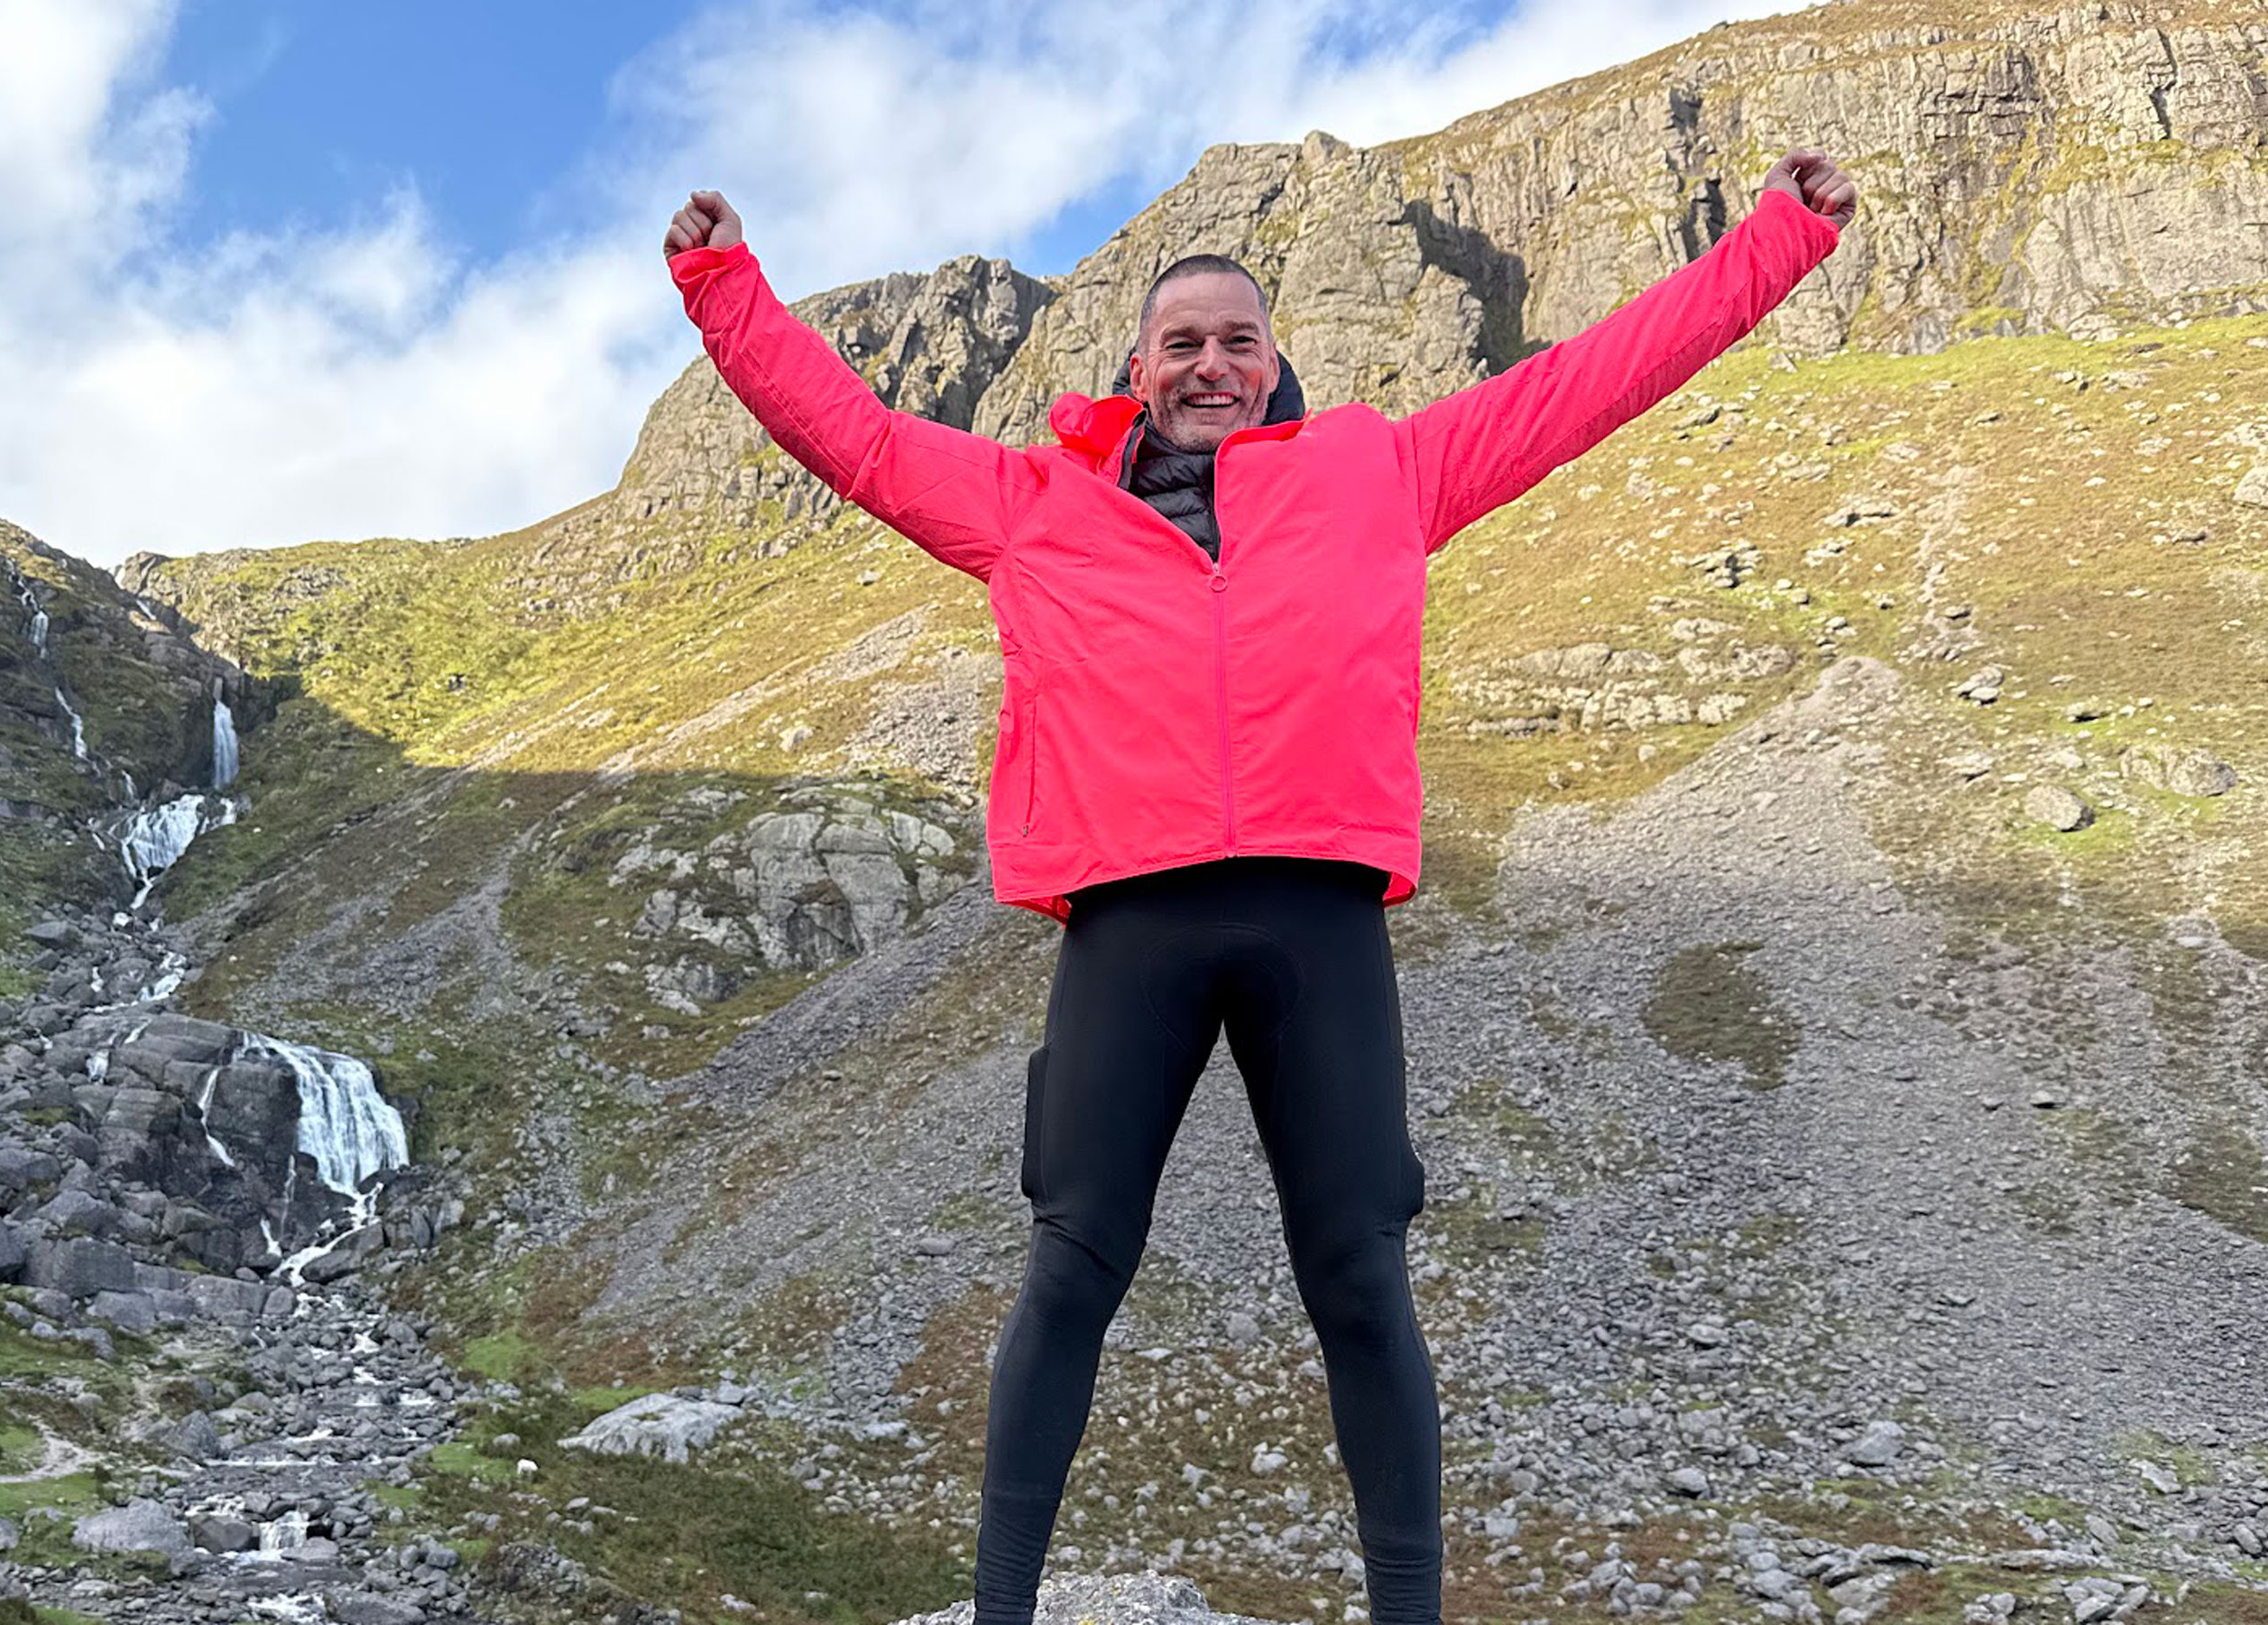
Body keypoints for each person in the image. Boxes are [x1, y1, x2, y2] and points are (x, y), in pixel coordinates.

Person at [662, 149, 1857, 1625]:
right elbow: (851, 433)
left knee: (1360, 1276)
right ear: (1139, 366)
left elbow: (1590, 380)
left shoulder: (1381, 467)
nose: (1210, 364)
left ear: (1274, 363)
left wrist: (1782, 239)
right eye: (1183, 343)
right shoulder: (1032, 505)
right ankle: (999, 1613)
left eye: (1238, 340)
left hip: (1317, 916)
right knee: (1071, 1264)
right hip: (1130, 919)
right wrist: (725, 286)